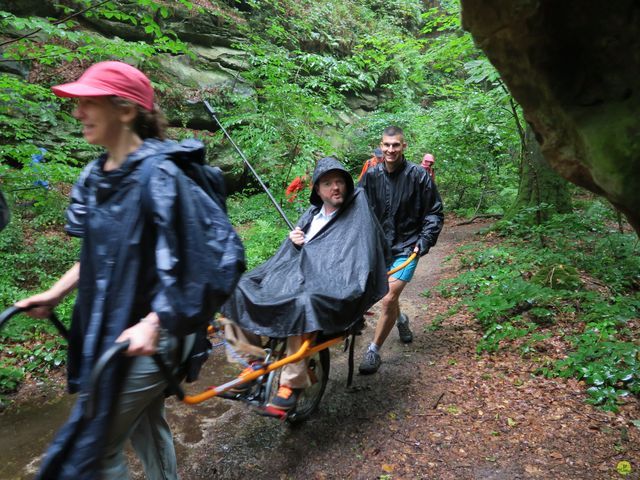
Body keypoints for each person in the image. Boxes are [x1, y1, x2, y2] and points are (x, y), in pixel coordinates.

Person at [14, 61, 238, 479]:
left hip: (160, 329)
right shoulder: (96, 176)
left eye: (88, 101)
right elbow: (98, 255)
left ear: (125, 110)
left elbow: (213, 257)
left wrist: (154, 322)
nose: (78, 112)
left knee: (94, 450)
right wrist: (55, 293)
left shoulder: (163, 175)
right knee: (143, 423)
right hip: (115, 325)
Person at [222, 156, 389, 410]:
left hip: (333, 286)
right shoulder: (311, 215)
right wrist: (295, 242)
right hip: (295, 277)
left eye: (339, 182)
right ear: (317, 190)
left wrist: (316, 256)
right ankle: (253, 361)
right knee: (237, 288)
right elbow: (291, 258)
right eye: (327, 183)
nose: (335, 187)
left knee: (302, 303)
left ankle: (290, 384)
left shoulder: (357, 211)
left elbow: (358, 258)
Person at [358, 126, 444, 374]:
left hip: (408, 247)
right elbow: (356, 208)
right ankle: (400, 320)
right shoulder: (371, 176)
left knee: (387, 297)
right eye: (387, 145)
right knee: (387, 298)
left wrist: (425, 240)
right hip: (379, 248)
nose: (391, 149)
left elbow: (434, 212)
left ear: (404, 146)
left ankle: (373, 351)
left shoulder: (419, 176)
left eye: (396, 145)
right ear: (380, 145)